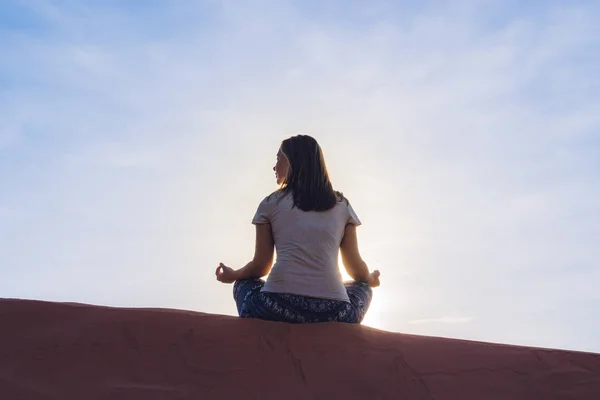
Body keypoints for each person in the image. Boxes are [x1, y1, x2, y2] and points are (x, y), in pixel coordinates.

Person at [215, 134, 380, 324]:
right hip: (334, 313)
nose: (274, 166)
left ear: (293, 162)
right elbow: (356, 269)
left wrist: (233, 275)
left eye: (278, 159)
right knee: (362, 287)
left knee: (244, 283)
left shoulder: (270, 203)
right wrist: (370, 279)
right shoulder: (342, 205)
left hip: (275, 308)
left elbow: (261, 266)